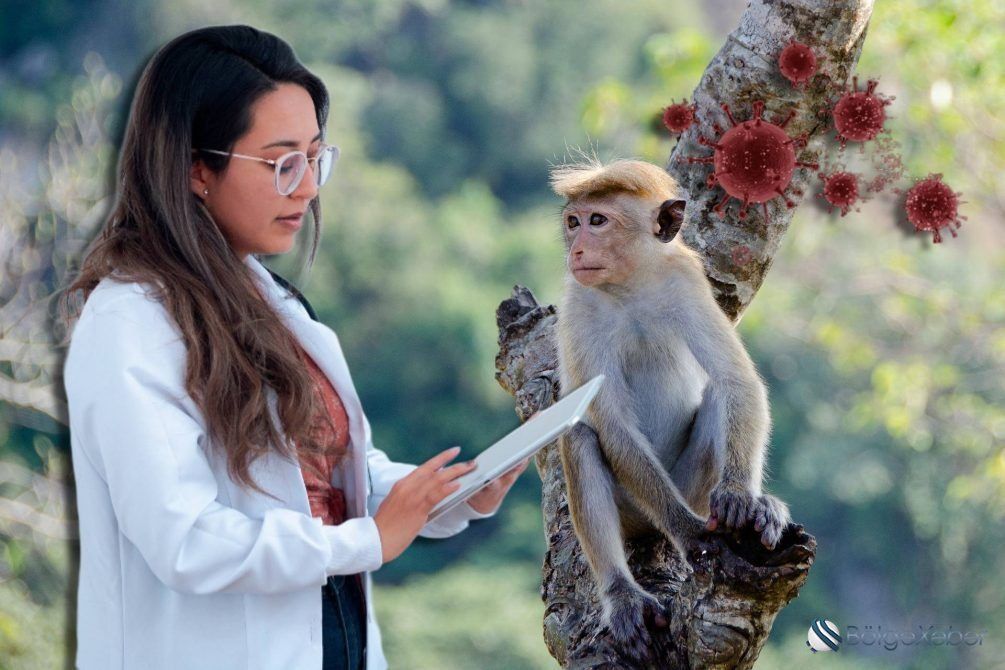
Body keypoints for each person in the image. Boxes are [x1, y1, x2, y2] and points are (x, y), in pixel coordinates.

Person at [57, 25, 529, 670]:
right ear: (197, 168)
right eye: (282, 162)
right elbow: (186, 539)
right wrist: (364, 542)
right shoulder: (130, 323)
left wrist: (445, 495)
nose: (307, 187)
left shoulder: (267, 301)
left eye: (315, 156)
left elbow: (322, 480)